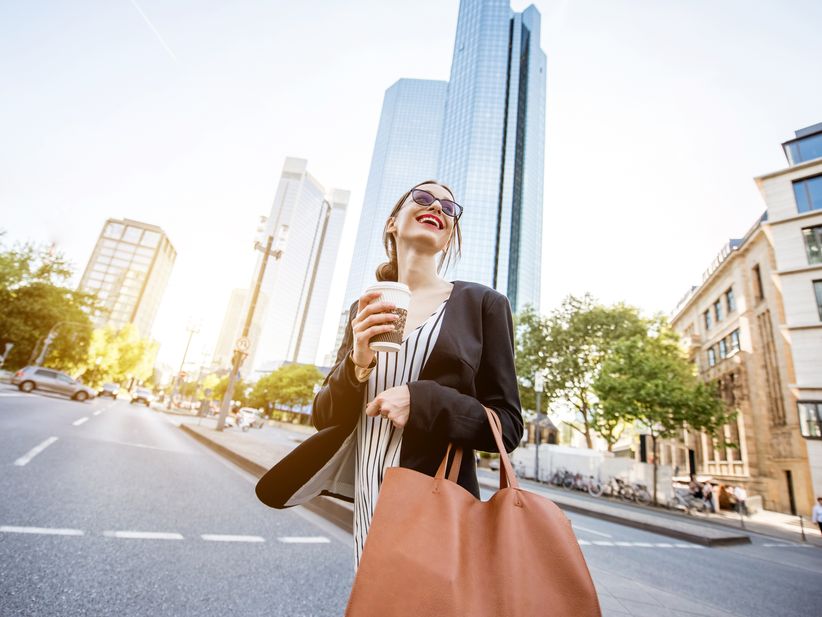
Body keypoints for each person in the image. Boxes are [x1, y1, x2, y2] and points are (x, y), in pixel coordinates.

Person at [254, 180, 524, 573]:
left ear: (448, 238)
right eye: (424, 197)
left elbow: (508, 425)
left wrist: (423, 401)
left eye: (450, 208)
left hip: (435, 498)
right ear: (392, 224)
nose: (439, 207)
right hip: (368, 494)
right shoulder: (365, 308)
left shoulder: (482, 305)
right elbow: (325, 417)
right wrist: (357, 363)